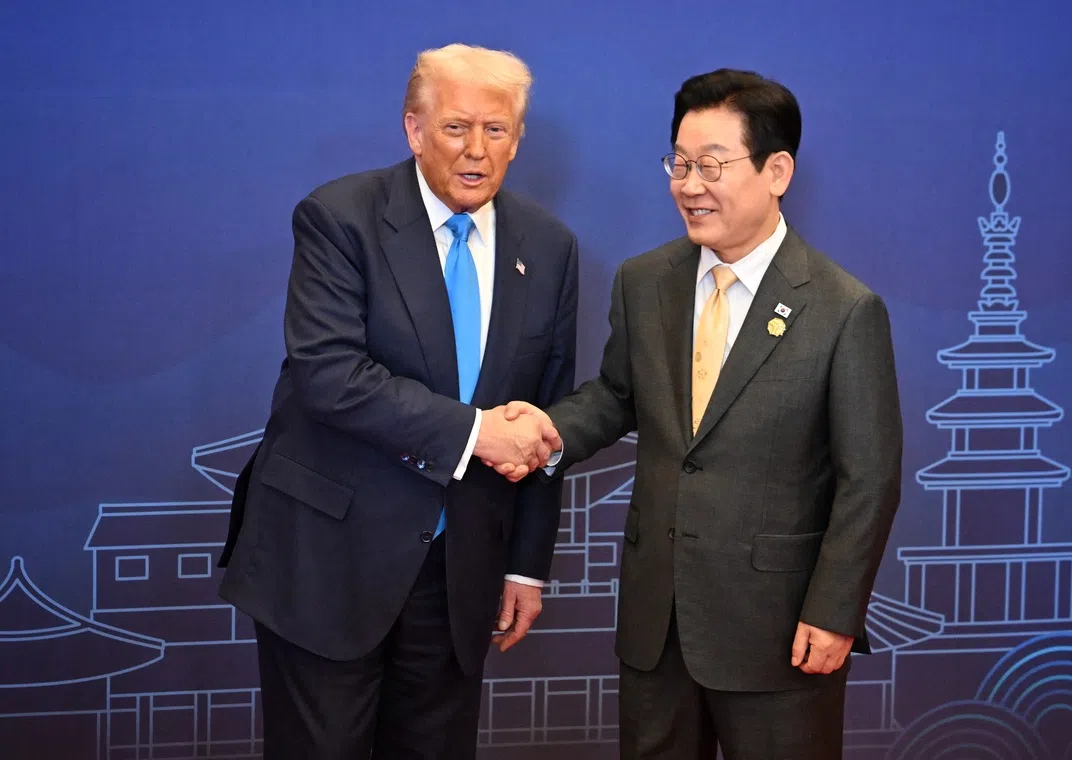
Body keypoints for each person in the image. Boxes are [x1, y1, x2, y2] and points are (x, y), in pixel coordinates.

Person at [497, 69, 903, 759]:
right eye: (679, 164)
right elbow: (619, 396)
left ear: (777, 171)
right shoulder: (645, 280)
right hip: (658, 626)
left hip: (778, 634)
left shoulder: (843, 309)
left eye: (711, 166)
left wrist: (834, 613)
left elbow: (869, 478)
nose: (689, 185)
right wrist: (547, 432)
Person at [217, 43, 576, 760]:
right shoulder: (339, 218)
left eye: (496, 130)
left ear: (518, 138)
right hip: (328, 562)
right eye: (454, 128)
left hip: (457, 576)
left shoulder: (549, 245)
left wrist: (525, 564)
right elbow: (330, 376)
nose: (477, 150)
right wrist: (476, 433)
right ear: (414, 130)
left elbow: (544, 415)